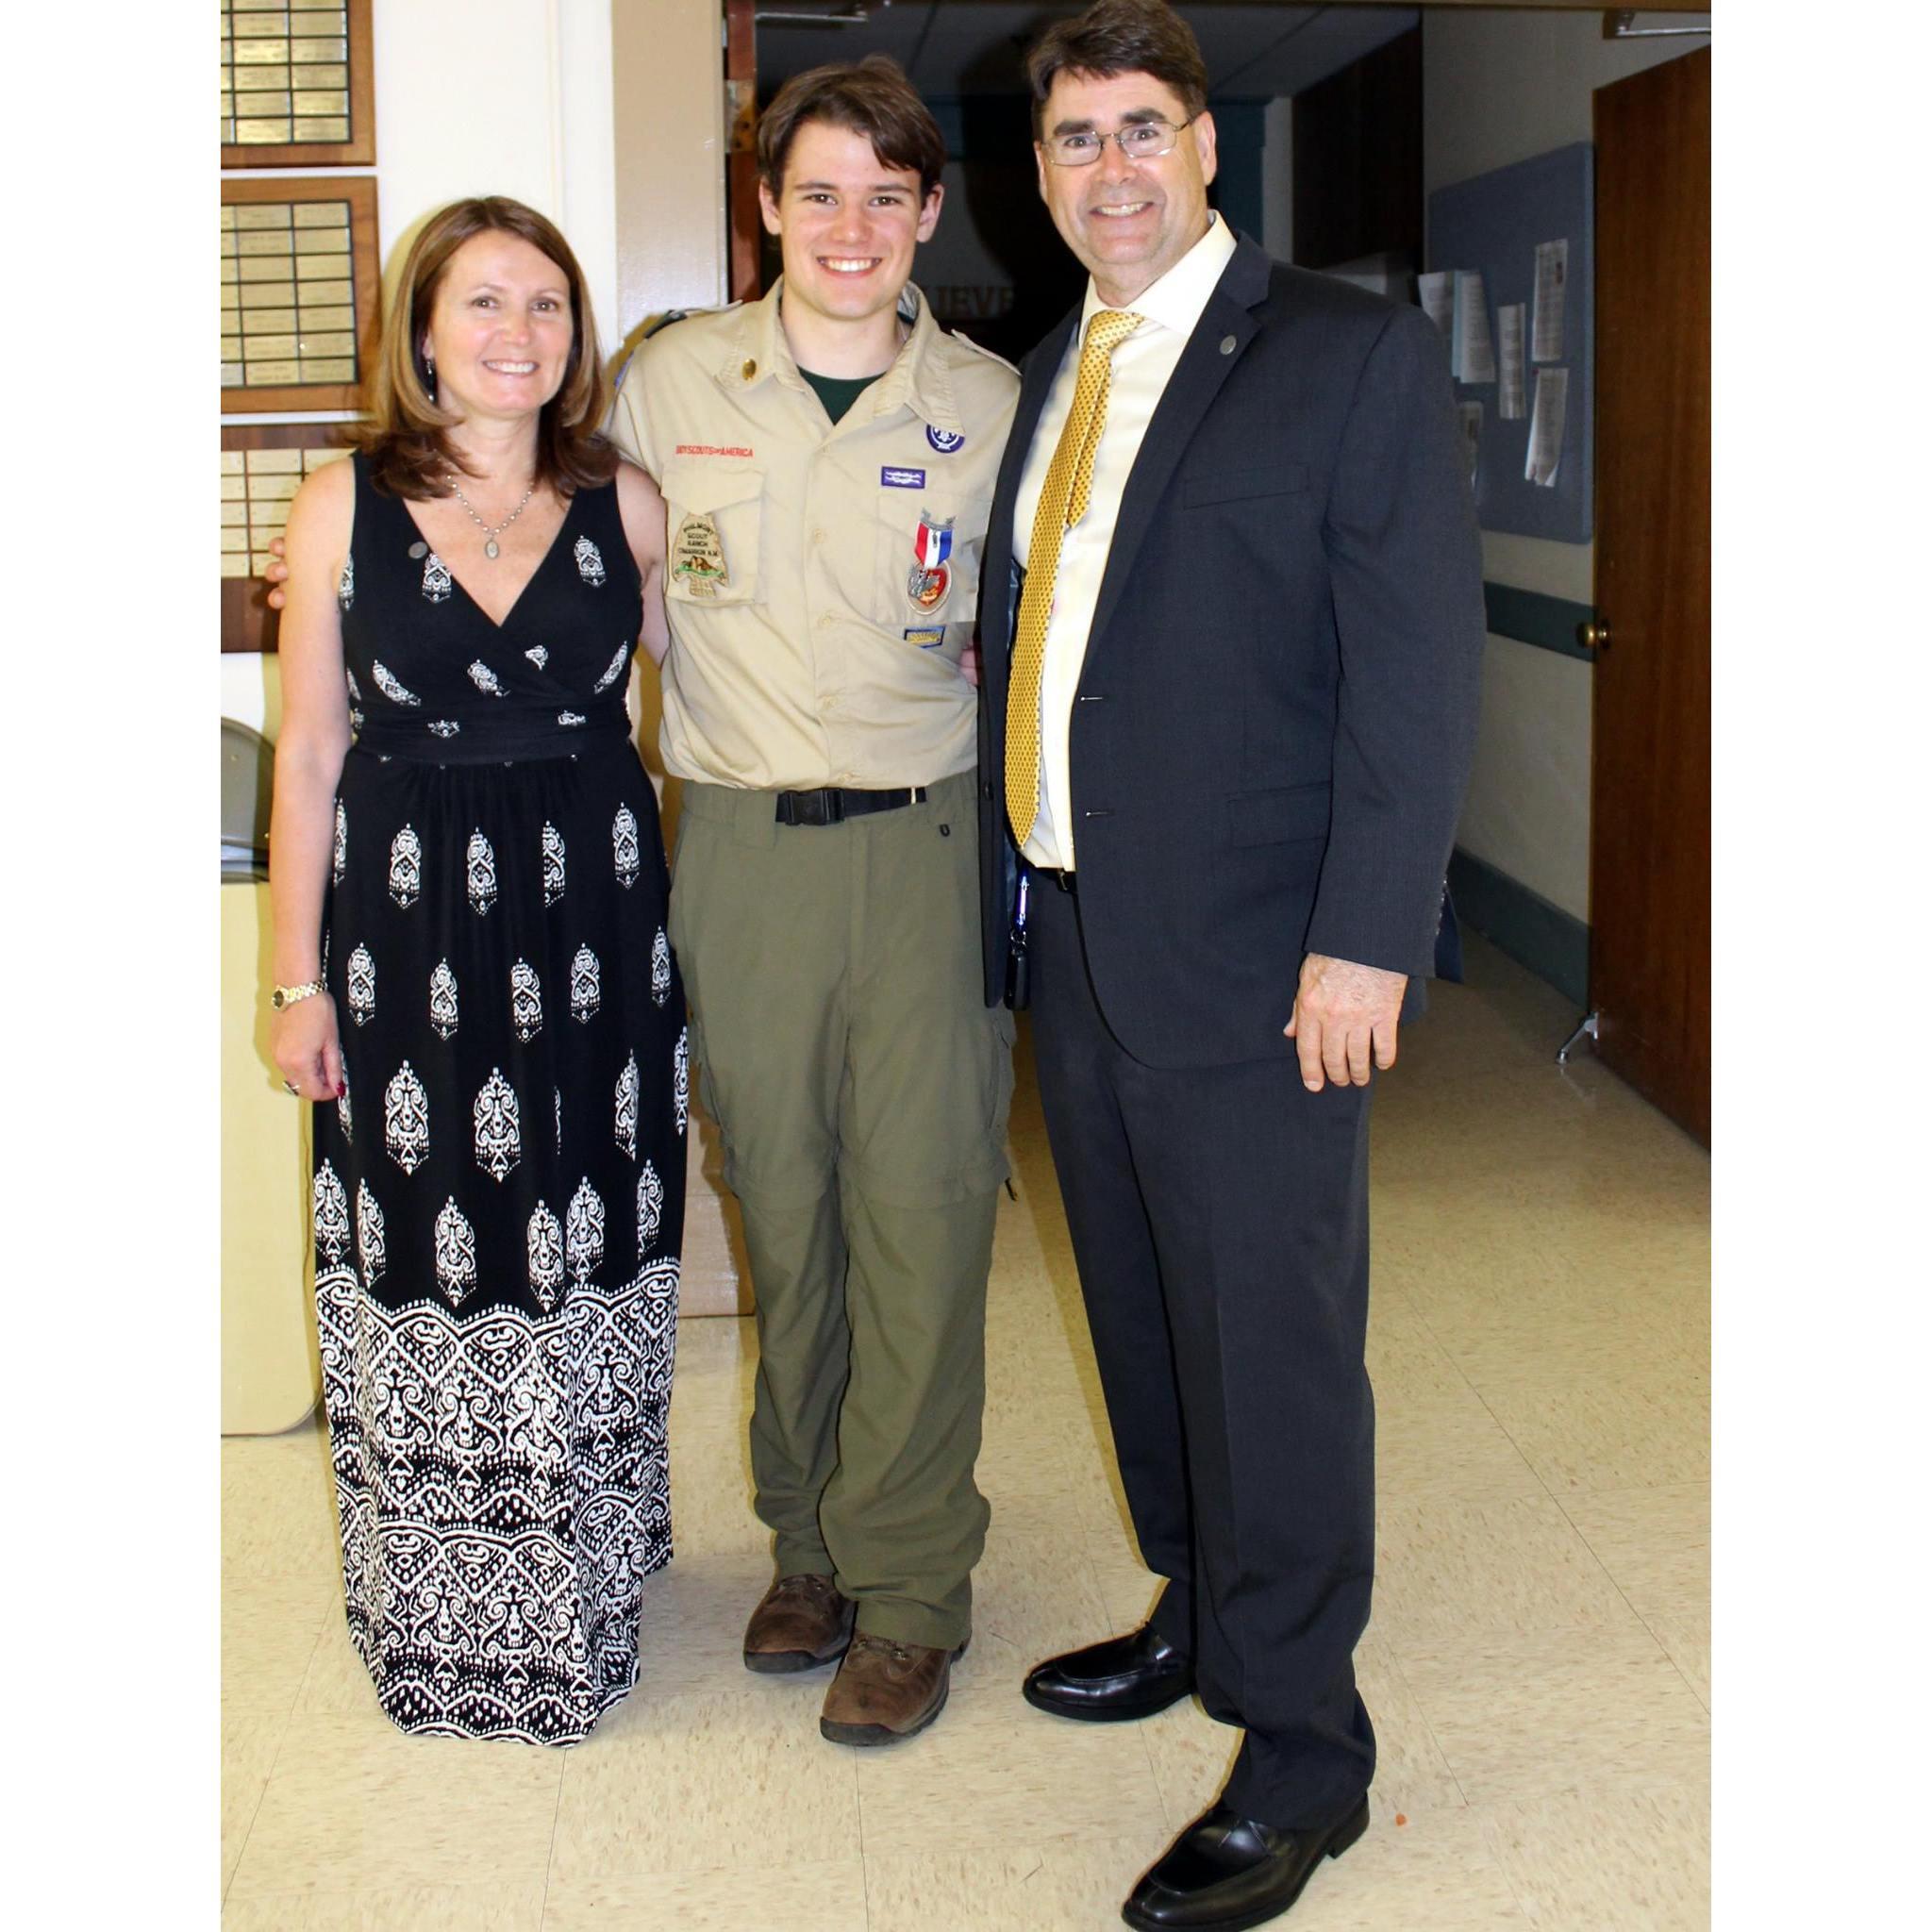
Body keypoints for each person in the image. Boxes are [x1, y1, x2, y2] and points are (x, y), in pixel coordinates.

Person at [975, 4, 1485, 1925]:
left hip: (1270, 963)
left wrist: (1367, 937)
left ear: (1202, 147)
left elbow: (1414, 678)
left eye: (1137, 130)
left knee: (1268, 1353)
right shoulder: (1052, 374)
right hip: (1082, 936)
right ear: (1038, 176)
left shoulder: (1341, 358)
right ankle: (1194, 1612)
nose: (1104, 168)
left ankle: (1302, 1746)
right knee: (1142, 1314)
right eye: (1070, 140)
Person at [607, 58, 1020, 1745]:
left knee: (920, 1212)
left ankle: (913, 1586)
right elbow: (597, 589)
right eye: (818, 190)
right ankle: (810, 1547)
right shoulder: (668, 380)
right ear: (766, 202)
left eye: (887, 194)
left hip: (924, 848)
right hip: (744, 851)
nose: (851, 226)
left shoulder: (994, 403)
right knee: (782, 1212)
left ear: (929, 213)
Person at [268, 195, 686, 1745]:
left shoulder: (627, 502)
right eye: (486, 304)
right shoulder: (337, 508)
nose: (521, 335)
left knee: (584, 1231)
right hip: (404, 932)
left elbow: (700, 691)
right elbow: (310, 751)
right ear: (425, 333)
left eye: (549, 308)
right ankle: (444, 1610)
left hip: (594, 927)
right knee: (436, 1248)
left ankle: (583, 1570)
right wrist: (294, 980)